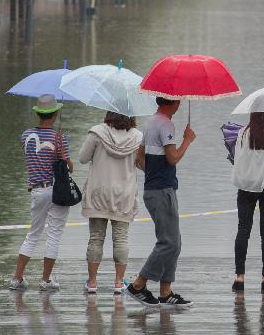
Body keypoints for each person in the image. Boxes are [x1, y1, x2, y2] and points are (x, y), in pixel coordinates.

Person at [126, 97, 196, 308]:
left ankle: (166, 293)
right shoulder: (165, 123)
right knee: (169, 242)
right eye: (178, 101)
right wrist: (187, 140)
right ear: (172, 102)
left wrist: (153, 173)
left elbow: (139, 157)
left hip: (155, 189)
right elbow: (173, 158)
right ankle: (138, 285)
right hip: (162, 191)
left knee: (174, 242)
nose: (180, 104)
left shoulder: (150, 122)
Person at [9, 94, 73, 291]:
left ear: (38, 113)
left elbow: (33, 159)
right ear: (54, 115)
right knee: (53, 235)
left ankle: (17, 278)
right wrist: (63, 157)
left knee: (33, 234)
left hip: (36, 190)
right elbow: (69, 168)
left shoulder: (25, 135)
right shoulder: (59, 137)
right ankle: (45, 280)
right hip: (56, 191)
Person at [79, 111, 143, 295]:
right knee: (121, 238)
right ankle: (118, 282)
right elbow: (142, 164)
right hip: (124, 194)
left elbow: (83, 158)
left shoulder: (96, 133)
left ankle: (92, 283)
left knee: (96, 238)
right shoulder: (138, 137)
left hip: (98, 192)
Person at [231, 103, 264, 293]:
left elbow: (238, 158)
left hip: (245, 186)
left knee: (243, 229)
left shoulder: (242, 133)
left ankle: (240, 277)